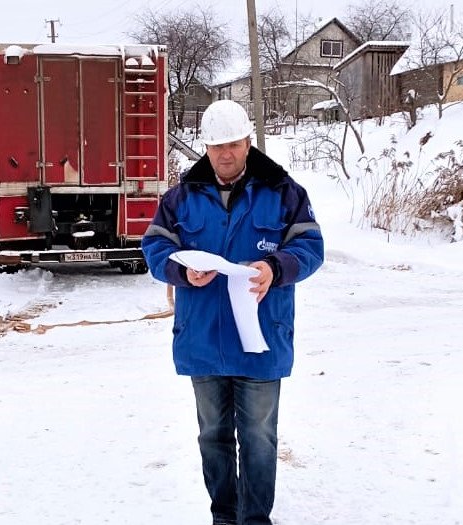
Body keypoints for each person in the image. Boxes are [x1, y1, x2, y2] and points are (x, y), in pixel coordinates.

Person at [141, 99, 324, 525]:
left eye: (234, 144)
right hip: (202, 340)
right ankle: (224, 518)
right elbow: (154, 248)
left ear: (248, 142)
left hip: (261, 341)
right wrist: (182, 271)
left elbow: (311, 248)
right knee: (213, 437)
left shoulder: (284, 192)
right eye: (216, 146)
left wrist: (275, 267)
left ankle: (255, 520)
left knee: (259, 438)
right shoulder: (180, 197)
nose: (225, 154)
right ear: (204, 148)